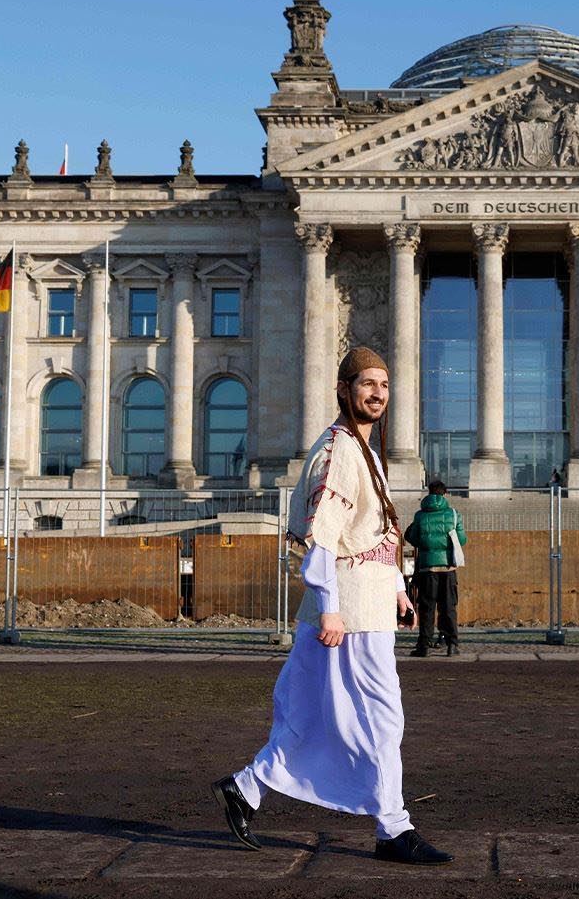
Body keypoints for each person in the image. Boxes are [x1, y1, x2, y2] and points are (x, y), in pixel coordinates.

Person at [213, 346, 452, 866]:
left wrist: (395, 588)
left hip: (358, 605)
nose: (378, 394)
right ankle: (393, 829)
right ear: (344, 389)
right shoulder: (341, 449)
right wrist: (329, 607)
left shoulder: (360, 449)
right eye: (367, 384)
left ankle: (245, 788)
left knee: (306, 713)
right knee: (383, 720)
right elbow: (322, 538)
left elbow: (372, 530)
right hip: (349, 615)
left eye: (384, 386)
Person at [405, 479, 467, 657]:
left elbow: (414, 538)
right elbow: (462, 540)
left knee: (427, 608)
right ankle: (452, 644)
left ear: (429, 493)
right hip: (447, 568)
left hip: (427, 568)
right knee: (448, 608)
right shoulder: (454, 515)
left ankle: (424, 646)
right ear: (444, 493)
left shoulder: (420, 515)